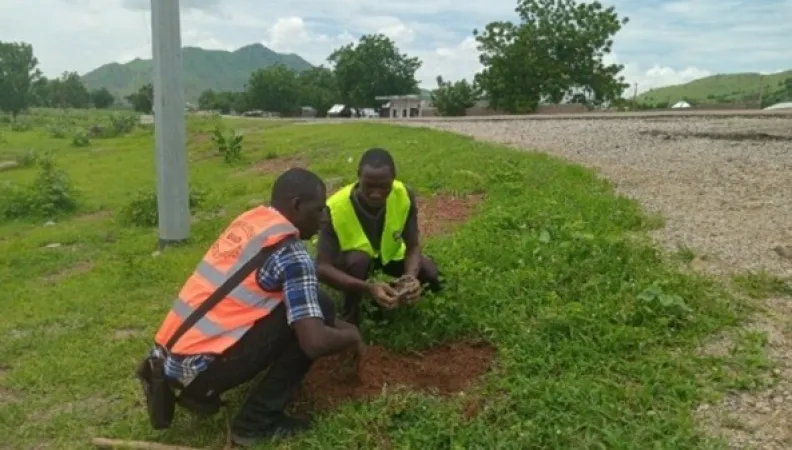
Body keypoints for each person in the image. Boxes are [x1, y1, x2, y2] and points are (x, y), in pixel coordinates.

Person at [140, 168, 363, 447]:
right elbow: (315, 343)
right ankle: (255, 423)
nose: (323, 219)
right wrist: (352, 336)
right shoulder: (292, 254)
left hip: (169, 357)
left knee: (317, 303)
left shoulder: (251, 222)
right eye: (318, 210)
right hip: (198, 371)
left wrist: (339, 324)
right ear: (295, 205)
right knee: (305, 329)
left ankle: (200, 392)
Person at [315, 147, 443, 326]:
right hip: (351, 263)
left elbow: (412, 245)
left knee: (430, 273)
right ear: (358, 176)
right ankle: (351, 317)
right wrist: (368, 288)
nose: (376, 193)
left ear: (393, 179)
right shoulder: (334, 208)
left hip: (387, 256)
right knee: (359, 260)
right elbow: (322, 268)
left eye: (384, 186)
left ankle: (403, 302)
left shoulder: (403, 194)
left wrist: (409, 278)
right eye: (369, 186)